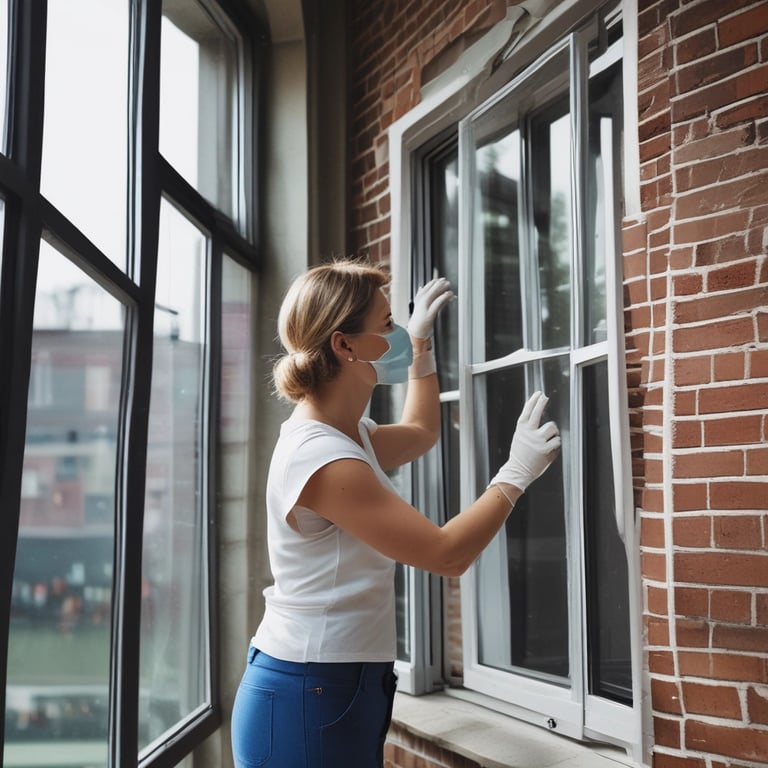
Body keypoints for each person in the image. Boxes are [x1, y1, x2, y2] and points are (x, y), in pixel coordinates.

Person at [231, 260, 560, 768]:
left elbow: (422, 431)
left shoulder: (348, 433)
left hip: (336, 682)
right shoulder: (321, 456)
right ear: (345, 346)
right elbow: (446, 554)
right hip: (310, 687)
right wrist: (515, 474)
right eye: (387, 325)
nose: (399, 332)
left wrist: (421, 349)